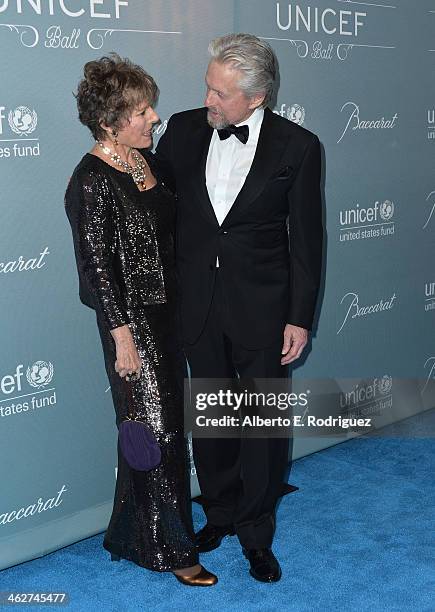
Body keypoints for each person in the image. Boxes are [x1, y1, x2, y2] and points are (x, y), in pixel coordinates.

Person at [155, 33, 323, 583]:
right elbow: (153, 207)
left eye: (220, 94)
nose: (208, 101)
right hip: (198, 305)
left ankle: (257, 533)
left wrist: (299, 316)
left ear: (256, 97)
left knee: (263, 426)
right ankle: (221, 512)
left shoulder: (298, 146)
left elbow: (307, 238)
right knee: (213, 420)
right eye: (207, 87)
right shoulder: (180, 131)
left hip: (265, 311)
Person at [64, 54, 217, 587]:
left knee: (161, 431)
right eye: (143, 111)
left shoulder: (146, 164)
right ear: (110, 123)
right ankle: (176, 552)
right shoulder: (90, 180)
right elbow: (97, 269)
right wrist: (122, 337)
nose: (155, 118)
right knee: (158, 438)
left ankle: (136, 532)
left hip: (170, 318)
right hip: (134, 330)